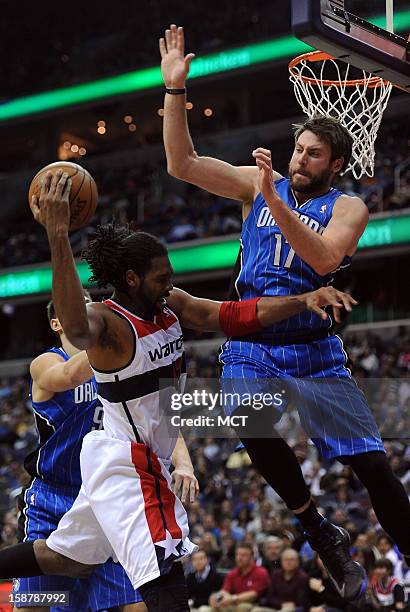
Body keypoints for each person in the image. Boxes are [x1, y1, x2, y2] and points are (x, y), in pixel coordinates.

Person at [0, 171, 354, 612]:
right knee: (166, 580)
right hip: (129, 464)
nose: (169, 283)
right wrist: (57, 235)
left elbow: (228, 314)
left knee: (64, 559)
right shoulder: (107, 326)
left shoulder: (169, 305)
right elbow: (75, 325)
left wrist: (302, 301)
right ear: (130, 278)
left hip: (123, 455)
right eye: (160, 277)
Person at [158, 23, 410, 604]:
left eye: (313, 154)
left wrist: (274, 200)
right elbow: (182, 163)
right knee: (250, 423)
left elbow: (322, 258)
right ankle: (318, 530)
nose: (299, 159)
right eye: (297, 148)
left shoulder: (348, 206)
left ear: (335, 162)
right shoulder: (257, 182)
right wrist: (175, 93)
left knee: (374, 469)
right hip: (254, 339)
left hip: (315, 348)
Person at [14, 293, 146, 612]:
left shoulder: (120, 366)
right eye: (75, 304)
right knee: (35, 604)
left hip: (106, 498)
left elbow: (156, 414)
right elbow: (70, 376)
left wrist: (183, 463)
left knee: (135, 606)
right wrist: (128, 334)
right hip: (53, 497)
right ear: (58, 322)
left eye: (89, 303)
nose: (85, 309)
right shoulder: (46, 362)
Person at [203, 543, 271, 612]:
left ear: (252, 557)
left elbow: (253, 595)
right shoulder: (233, 573)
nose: (239, 558)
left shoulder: (260, 572)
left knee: (243, 607)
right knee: (207, 608)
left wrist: (232, 598)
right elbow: (225, 590)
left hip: (254, 604)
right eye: (237, 555)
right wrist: (217, 597)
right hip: (233, 602)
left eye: (243, 555)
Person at [253, 548, 309, 612]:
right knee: (256, 610)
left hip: (293, 609)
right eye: (285, 560)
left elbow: (302, 601)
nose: (288, 562)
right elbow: (269, 597)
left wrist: (290, 605)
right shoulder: (276, 574)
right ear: (281, 561)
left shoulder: (303, 577)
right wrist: (281, 604)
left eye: (292, 560)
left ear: (298, 562)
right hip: (276, 607)